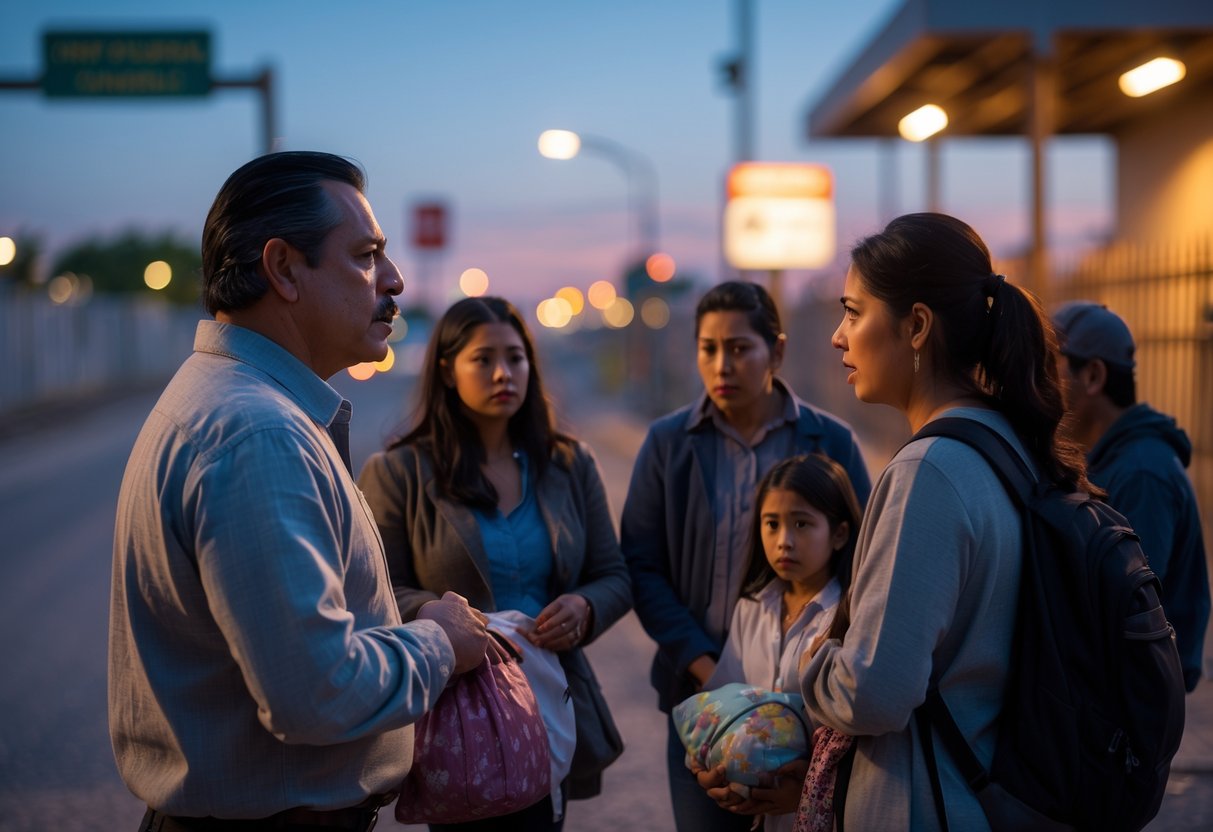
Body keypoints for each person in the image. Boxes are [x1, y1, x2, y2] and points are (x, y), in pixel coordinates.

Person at [110, 151, 490, 832]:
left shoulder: (229, 401)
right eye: (367, 254)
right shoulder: (257, 434)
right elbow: (316, 694)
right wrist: (438, 640)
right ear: (284, 269)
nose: (394, 279)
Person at [799, 212, 1094, 830]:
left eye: (854, 312)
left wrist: (809, 652)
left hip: (926, 803)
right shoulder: (1006, 446)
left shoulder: (928, 473)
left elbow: (872, 693)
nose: (837, 336)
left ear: (915, 326)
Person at [357, 295, 633, 832]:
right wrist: (450, 622)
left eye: (516, 357)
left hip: (551, 702)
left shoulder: (568, 464)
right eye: (483, 359)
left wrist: (584, 607)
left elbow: (615, 575)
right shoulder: (398, 472)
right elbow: (376, 592)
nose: (503, 372)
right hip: (459, 713)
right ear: (447, 368)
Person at [620, 280, 871, 832]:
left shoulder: (831, 442)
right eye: (709, 348)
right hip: (703, 696)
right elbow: (640, 563)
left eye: (739, 348)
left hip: (813, 709)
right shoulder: (668, 444)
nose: (722, 364)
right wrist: (707, 669)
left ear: (776, 351)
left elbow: (865, 567)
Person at [692, 453, 863, 832]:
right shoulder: (752, 609)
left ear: (839, 534)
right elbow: (724, 705)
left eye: (802, 524)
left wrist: (807, 789)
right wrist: (709, 765)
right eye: (772, 524)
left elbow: (861, 742)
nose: (784, 541)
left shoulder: (850, 620)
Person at [1053, 301, 1210, 691]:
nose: (1036, 386)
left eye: (1047, 370)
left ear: (1092, 376)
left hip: (1130, 711)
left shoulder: (1142, 475)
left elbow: (1131, 619)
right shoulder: (1107, 459)